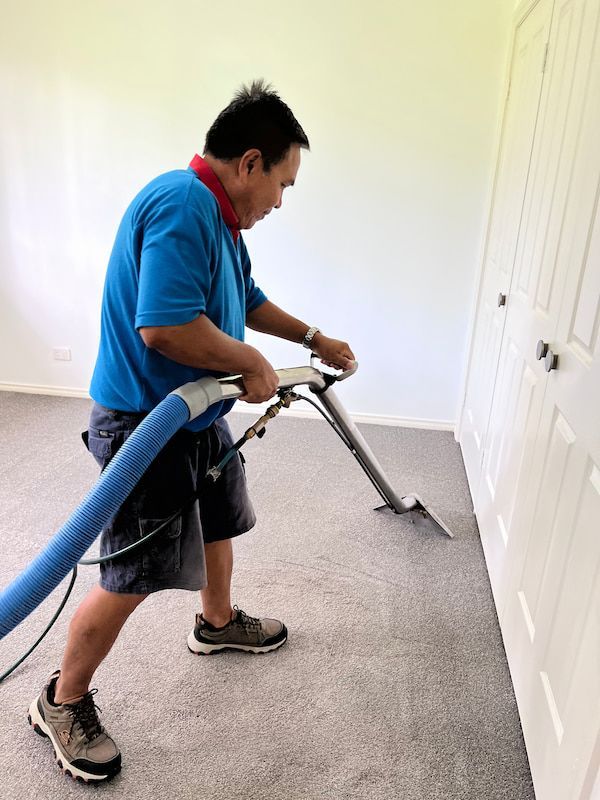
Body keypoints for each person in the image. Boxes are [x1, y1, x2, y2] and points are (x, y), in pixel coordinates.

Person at [27, 80, 355, 782]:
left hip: (196, 413)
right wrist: (246, 359)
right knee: (133, 572)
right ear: (251, 162)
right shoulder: (181, 204)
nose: (279, 201)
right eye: (283, 184)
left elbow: (247, 299)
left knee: (218, 522)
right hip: (145, 422)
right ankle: (62, 698)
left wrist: (311, 337)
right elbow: (166, 324)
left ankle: (216, 622)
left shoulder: (220, 220)